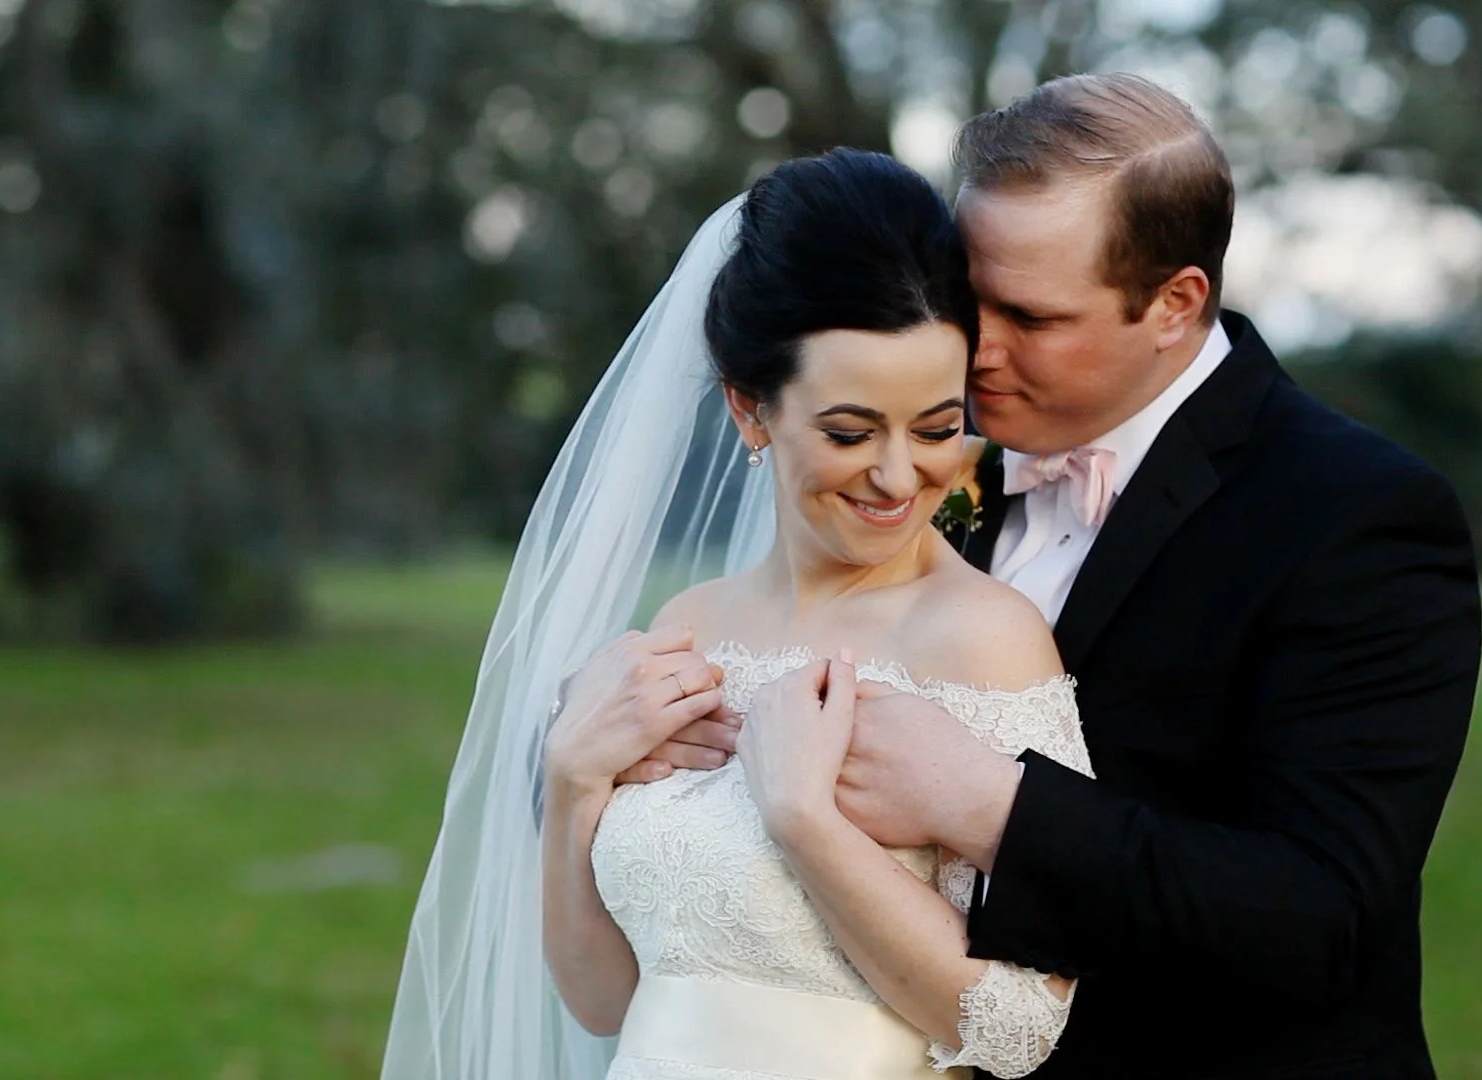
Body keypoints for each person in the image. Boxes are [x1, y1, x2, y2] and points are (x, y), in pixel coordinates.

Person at [722, 74, 1479, 1079]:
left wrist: (989, 803)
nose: (973, 349)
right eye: (966, 296)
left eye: (1030, 317)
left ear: (1175, 303)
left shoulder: (1357, 516)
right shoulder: (929, 470)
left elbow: (1317, 916)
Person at [382, 150, 1091, 1080]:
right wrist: (571, 785)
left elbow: (1021, 1028)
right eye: (848, 432)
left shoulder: (983, 641)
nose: (896, 475)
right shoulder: (690, 625)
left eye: (934, 426)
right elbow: (607, 1001)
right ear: (750, 412)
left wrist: (806, 818)